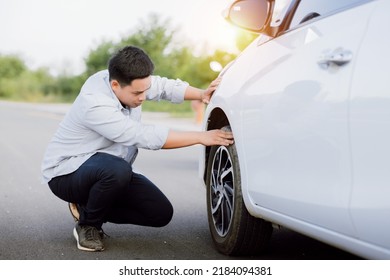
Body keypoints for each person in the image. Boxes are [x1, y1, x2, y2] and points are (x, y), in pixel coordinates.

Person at [41, 45, 233, 252]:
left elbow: (162, 86)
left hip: (110, 168)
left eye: (145, 90)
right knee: (116, 170)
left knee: (160, 213)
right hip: (67, 173)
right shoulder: (95, 104)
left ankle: (87, 207)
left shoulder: (126, 80)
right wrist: (200, 137)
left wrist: (201, 94)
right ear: (115, 85)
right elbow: (141, 135)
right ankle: (89, 226)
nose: (143, 97)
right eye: (137, 93)